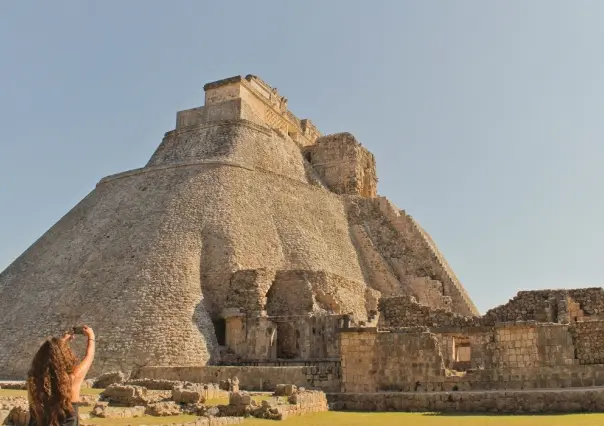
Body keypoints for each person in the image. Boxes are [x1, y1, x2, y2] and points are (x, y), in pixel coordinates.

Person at [26, 326, 96, 426]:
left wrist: (61, 342)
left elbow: (49, 354)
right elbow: (89, 357)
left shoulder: (34, 382)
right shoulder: (72, 380)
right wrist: (91, 336)